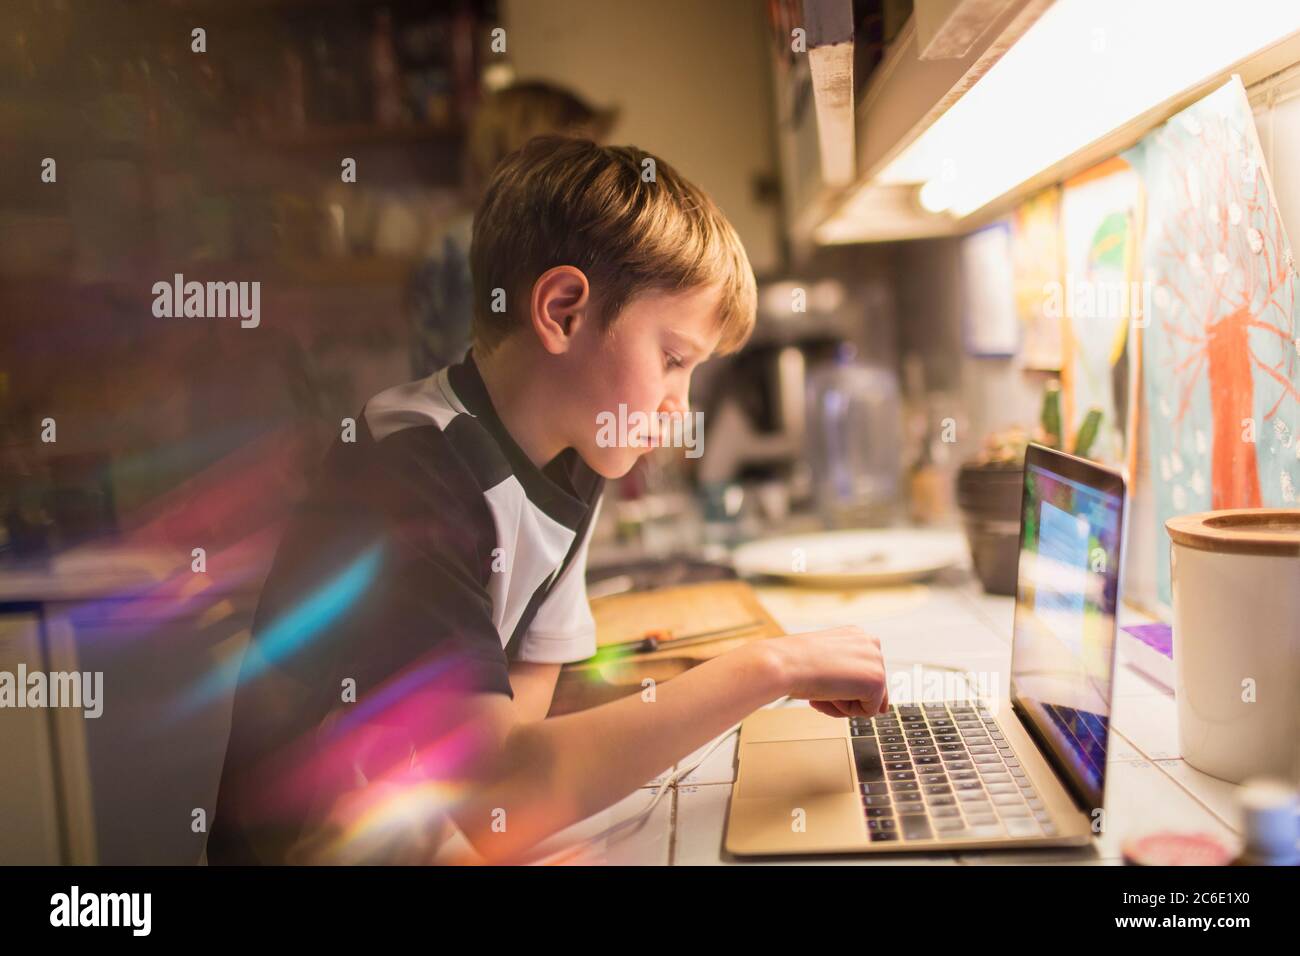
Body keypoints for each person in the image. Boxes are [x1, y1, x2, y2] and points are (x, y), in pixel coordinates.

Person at [208, 135, 887, 865]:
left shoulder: (572, 461)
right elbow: (504, 791)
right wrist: (769, 668)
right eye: (673, 360)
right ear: (562, 311)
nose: (677, 405)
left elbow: (515, 725)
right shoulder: (410, 474)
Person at [408, 81, 616, 379]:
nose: (599, 174)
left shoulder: (475, 235)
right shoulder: (475, 241)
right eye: (585, 159)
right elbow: (473, 373)